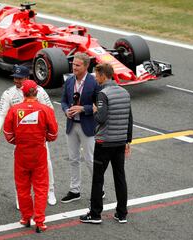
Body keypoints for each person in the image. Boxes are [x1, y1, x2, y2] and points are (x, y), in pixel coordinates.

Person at [0, 65, 57, 207]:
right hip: (21, 138)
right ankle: (20, 196)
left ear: (27, 78)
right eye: (15, 78)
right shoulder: (8, 94)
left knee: (46, 163)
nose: (17, 80)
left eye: (20, 78)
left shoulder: (39, 91)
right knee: (20, 169)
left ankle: (50, 190)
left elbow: (50, 111)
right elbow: (1, 113)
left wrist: (47, 134)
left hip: (38, 137)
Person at [80, 63, 133, 224]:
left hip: (104, 143)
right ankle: (122, 213)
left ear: (103, 75)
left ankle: (95, 214)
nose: (95, 79)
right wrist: (128, 140)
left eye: (97, 76)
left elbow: (101, 118)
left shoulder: (103, 94)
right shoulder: (125, 92)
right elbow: (130, 119)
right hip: (120, 141)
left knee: (98, 178)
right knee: (120, 177)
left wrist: (95, 111)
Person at [3, 80, 58, 233]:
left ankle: (26, 217)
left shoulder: (14, 110)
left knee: (22, 187)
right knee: (41, 188)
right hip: (39, 153)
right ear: (37, 92)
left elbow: (8, 134)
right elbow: (53, 133)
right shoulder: (45, 109)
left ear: (23, 92)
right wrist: (44, 138)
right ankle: (39, 221)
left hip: (21, 153)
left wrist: (19, 142)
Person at [60, 52, 101, 203]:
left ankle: (99, 188)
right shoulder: (70, 81)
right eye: (73, 64)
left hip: (87, 126)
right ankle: (74, 190)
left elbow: (99, 105)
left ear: (86, 66)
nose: (74, 67)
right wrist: (66, 110)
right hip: (71, 126)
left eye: (77, 65)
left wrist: (83, 109)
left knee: (90, 159)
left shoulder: (94, 82)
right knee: (73, 159)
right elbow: (63, 100)